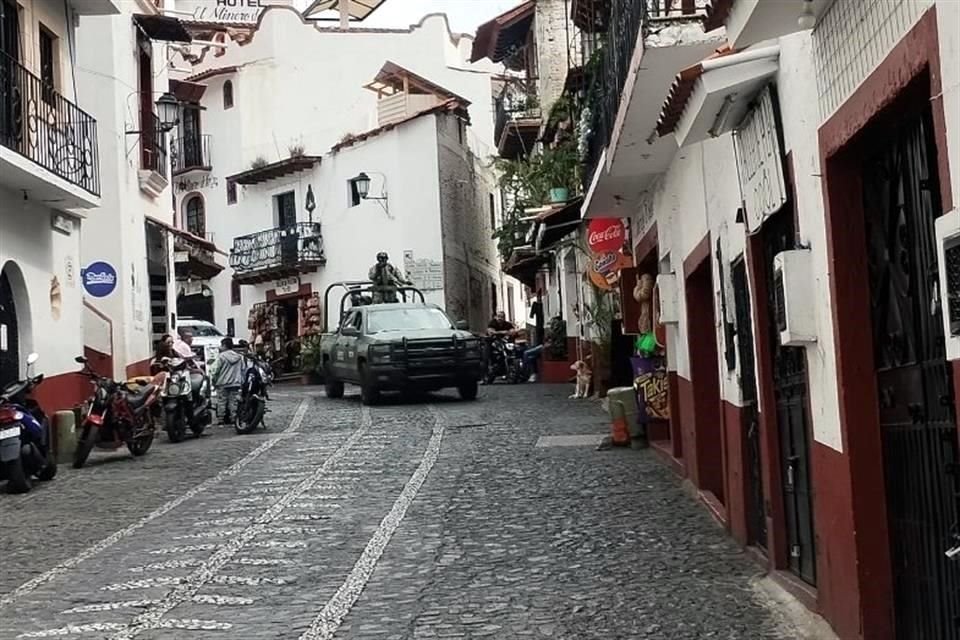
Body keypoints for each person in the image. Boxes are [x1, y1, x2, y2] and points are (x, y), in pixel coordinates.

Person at [210, 337, 245, 425]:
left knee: (222, 401)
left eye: (221, 345)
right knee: (233, 401)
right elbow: (243, 369)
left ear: (224, 346)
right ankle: (234, 418)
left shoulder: (221, 356)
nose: (220, 347)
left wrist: (213, 380)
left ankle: (221, 419)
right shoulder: (239, 357)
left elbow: (215, 370)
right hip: (235, 382)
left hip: (223, 382)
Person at [483, 311, 516, 383]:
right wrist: (503, 332)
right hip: (491, 342)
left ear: (504, 318)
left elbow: (513, 331)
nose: (500, 318)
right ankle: (484, 376)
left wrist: (511, 332)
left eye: (502, 317)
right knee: (486, 357)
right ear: (496, 317)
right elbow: (491, 331)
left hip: (503, 342)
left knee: (513, 351)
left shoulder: (507, 324)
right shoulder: (492, 323)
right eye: (498, 316)